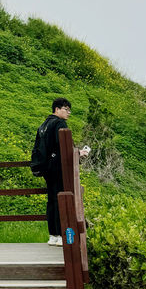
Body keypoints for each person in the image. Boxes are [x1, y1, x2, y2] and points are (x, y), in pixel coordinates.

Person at [37, 97, 89, 246]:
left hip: (47, 168)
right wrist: (78, 153)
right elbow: (63, 147)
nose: (68, 113)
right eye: (66, 109)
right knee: (63, 199)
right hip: (59, 168)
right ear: (57, 109)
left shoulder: (44, 125)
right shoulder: (59, 124)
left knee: (52, 200)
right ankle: (62, 235)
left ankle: (53, 235)